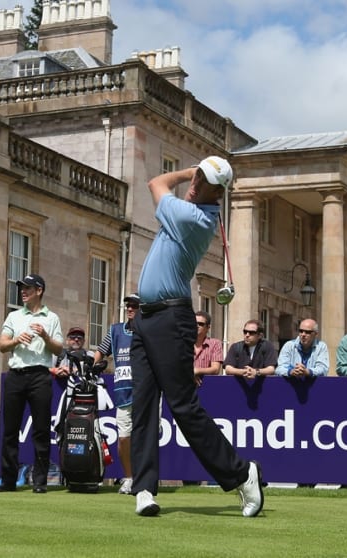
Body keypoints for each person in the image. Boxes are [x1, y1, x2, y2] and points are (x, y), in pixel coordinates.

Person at [130, 156, 263, 518]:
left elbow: (155, 182)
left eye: (203, 181)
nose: (194, 183)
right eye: (196, 176)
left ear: (217, 192)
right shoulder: (189, 209)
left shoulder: (194, 218)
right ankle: (144, 488)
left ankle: (241, 473)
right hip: (145, 318)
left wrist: (189, 171)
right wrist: (198, 174)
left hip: (172, 318)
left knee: (182, 406)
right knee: (141, 404)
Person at [0, 273, 64, 494]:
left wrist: (45, 336)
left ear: (39, 291)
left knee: (41, 429)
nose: (23, 291)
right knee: (10, 430)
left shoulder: (51, 318)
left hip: (40, 375)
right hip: (15, 374)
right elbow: (2, 345)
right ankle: (7, 481)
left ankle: (40, 481)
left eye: (27, 288)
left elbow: (58, 349)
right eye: (21, 288)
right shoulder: (14, 316)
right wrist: (17, 340)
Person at [94, 294, 139, 495]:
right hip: (122, 393)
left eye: (135, 306)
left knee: (146, 439)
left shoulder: (148, 332)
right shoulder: (115, 331)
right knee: (123, 439)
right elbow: (101, 351)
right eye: (128, 305)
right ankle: (129, 478)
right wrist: (95, 366)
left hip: (145, 393)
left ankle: (143, 477)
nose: (130, 309)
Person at [193, 310, 224, 384]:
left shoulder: (215, 344)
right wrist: (191, 374)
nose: (196, 326)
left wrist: (196, 371)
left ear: (208, 327)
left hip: (208, 386)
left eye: (200, 324)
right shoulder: (184, 343)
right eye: (194, 323)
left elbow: (215, 369)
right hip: (186, 386)